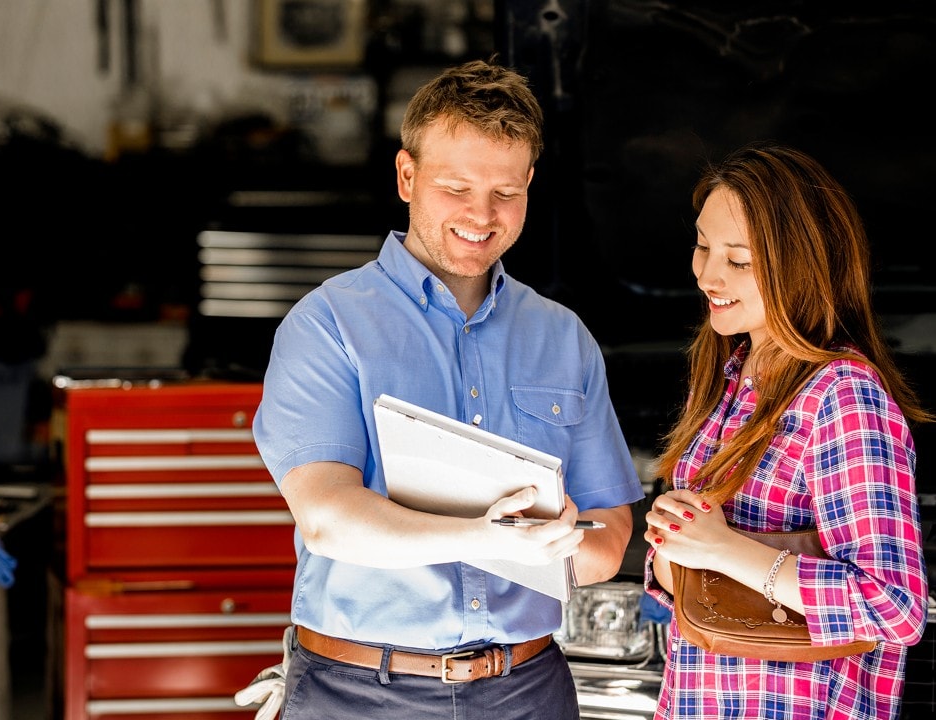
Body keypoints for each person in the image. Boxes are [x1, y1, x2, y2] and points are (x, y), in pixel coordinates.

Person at [251, 59, 644, 719]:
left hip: (526, 688)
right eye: (455, 187)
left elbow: (608, 538)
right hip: (358, 693)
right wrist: (486, 537)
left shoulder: (562, 337)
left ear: (529, 185)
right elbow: (325, 519)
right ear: (407, 176)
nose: (481, 216)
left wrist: (567, 538)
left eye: (505, 192)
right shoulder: (329, 325)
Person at [642, 142, 933, 719]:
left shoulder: (842, 396)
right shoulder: (730, 375)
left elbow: (894, 607)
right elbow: (697, 582)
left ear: (800, 263)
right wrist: (673, 547)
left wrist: (726, 549)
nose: (707, 274)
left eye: (739, 260)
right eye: (702, 245)